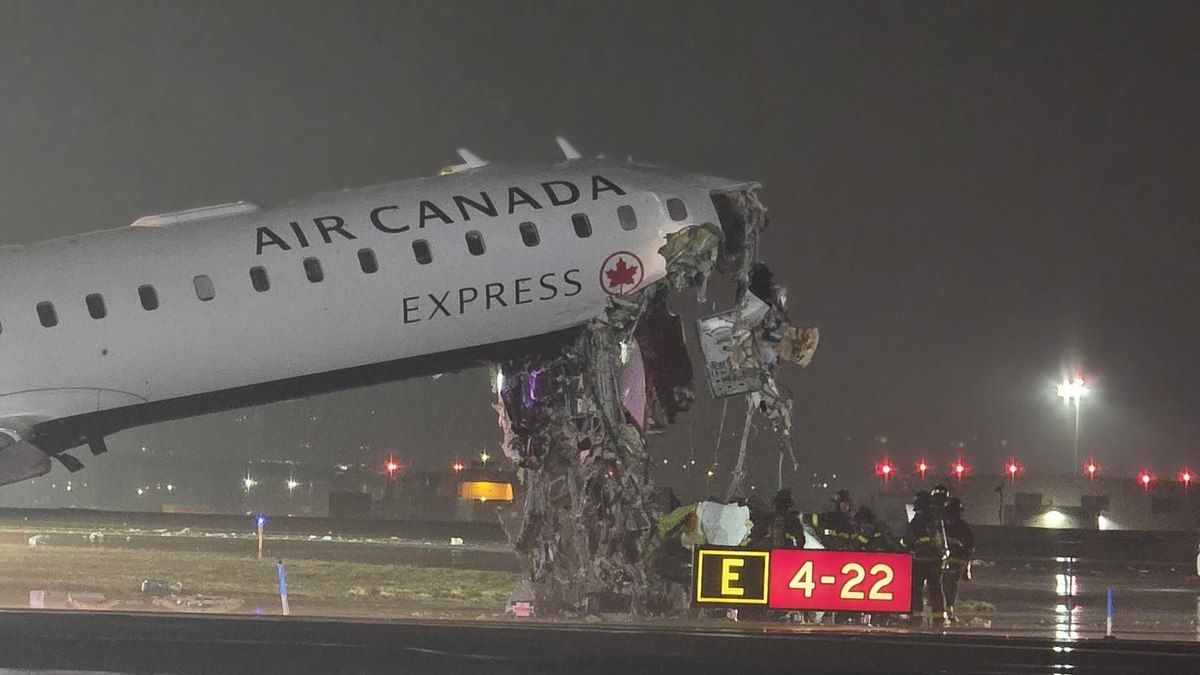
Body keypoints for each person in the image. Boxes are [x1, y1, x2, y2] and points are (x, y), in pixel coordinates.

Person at [901, 490, 948, 627]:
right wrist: (943, 555)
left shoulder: (916, 522)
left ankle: (916, 618)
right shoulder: (936, 520)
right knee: (936, 589)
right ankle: (938, 618)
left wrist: (899, 546)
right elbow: (942, 540)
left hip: (919, 561)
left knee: (916, 589)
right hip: (935, 561)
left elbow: (907, 541)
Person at [941, 497, 975, 624]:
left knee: (947, 585)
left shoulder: (944, 526)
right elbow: (970, 548)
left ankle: (946, 610)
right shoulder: (958, 526)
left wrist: (967, 568)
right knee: (948, 586)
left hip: (951, 561)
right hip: (951, 561)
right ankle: (947, 610)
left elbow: (969, 547)